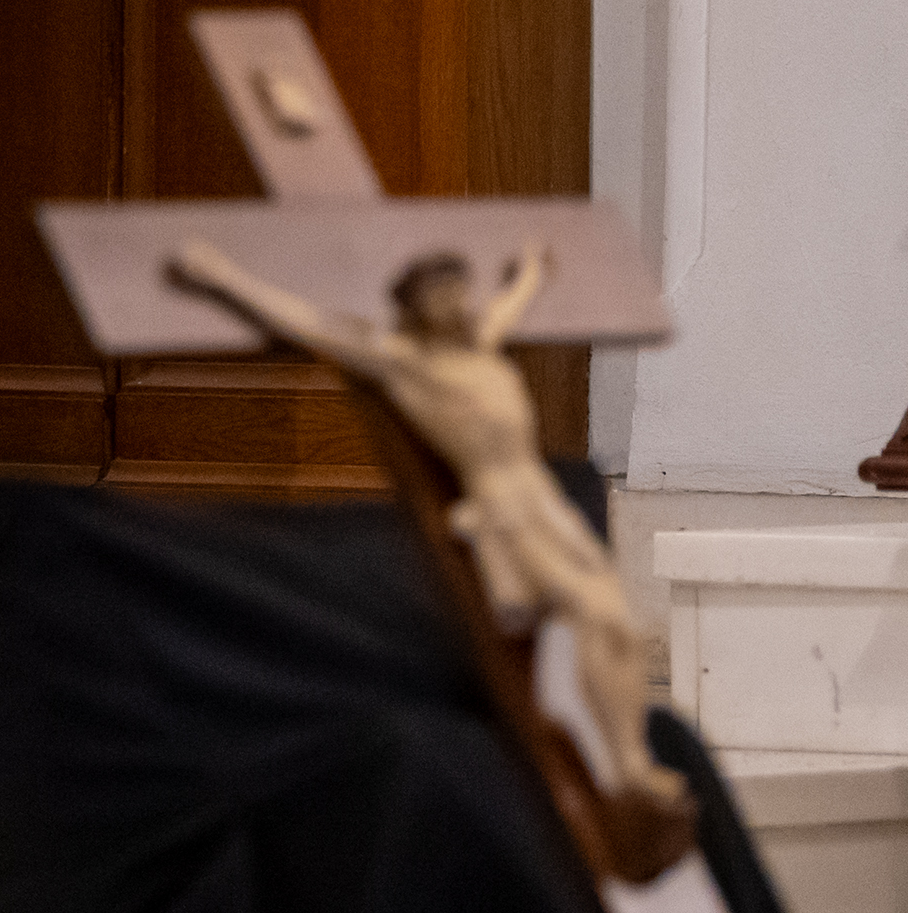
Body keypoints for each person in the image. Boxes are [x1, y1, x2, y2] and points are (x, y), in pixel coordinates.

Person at [169, 241, 690, 811]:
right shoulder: (405, 361)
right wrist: (225, 277)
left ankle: (630, 760)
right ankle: (624, 774)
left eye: (462, 293)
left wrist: (532, 272)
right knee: (592, 616)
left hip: (544, 501)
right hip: (506, 514)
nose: (460, 305)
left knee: (624, 629)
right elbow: (311, 323)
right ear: (417, 307)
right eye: (444, 298)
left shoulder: (477, 345)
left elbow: (506, 307)